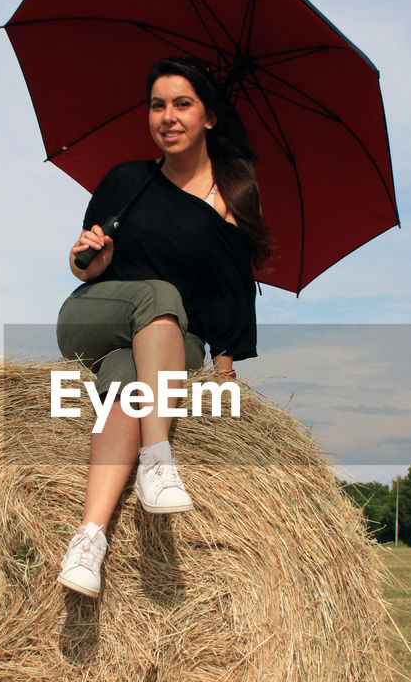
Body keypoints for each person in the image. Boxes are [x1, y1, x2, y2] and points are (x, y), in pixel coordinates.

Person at [55, 57, 272, 597]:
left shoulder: (235, 202)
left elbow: (234, 295)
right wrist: (88, 255)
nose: (167, 117)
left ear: (209, 118)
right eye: (157, 105)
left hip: (169, 345)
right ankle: (157, 459)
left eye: (182, 104)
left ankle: (89, 540)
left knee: (130, 381)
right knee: (161, 295)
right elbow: (89, 265)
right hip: (96, 315)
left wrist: (223, 370)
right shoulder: (127, 180)